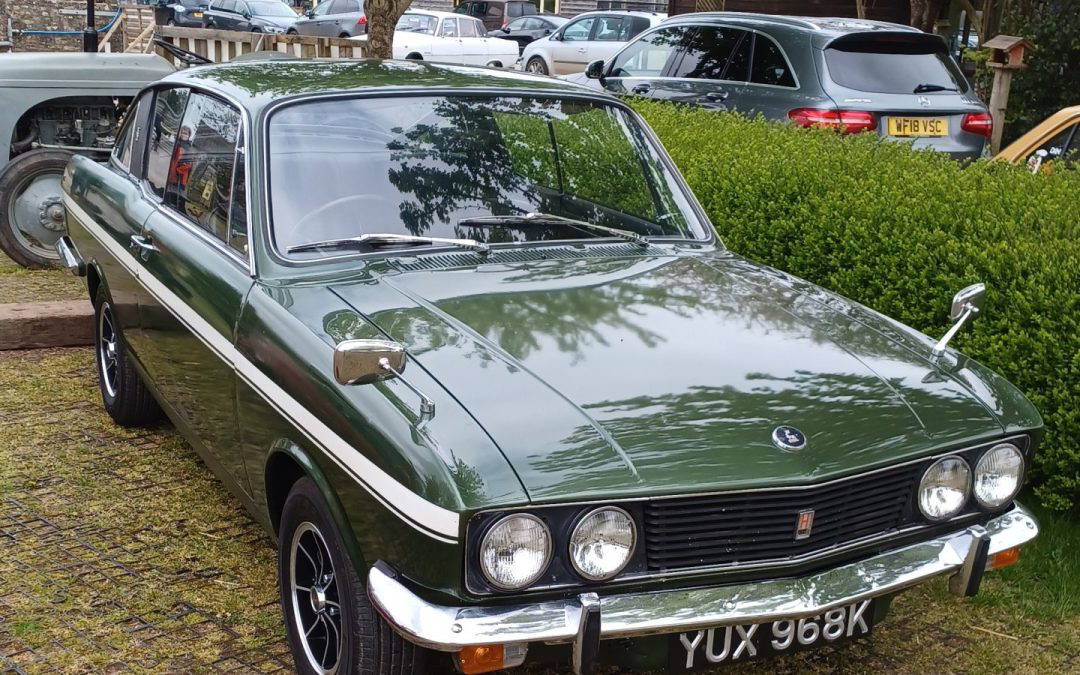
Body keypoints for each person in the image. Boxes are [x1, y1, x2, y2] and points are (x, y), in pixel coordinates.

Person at [166, 125, 193, 211]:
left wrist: (178, 171)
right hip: (171, 176)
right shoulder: (177, 143)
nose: (183, 135)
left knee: (175, 200)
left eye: (186, 134)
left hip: (180, 178)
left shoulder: (188, 148)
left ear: (189, 136)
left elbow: (188, 164)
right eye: (182, 133)